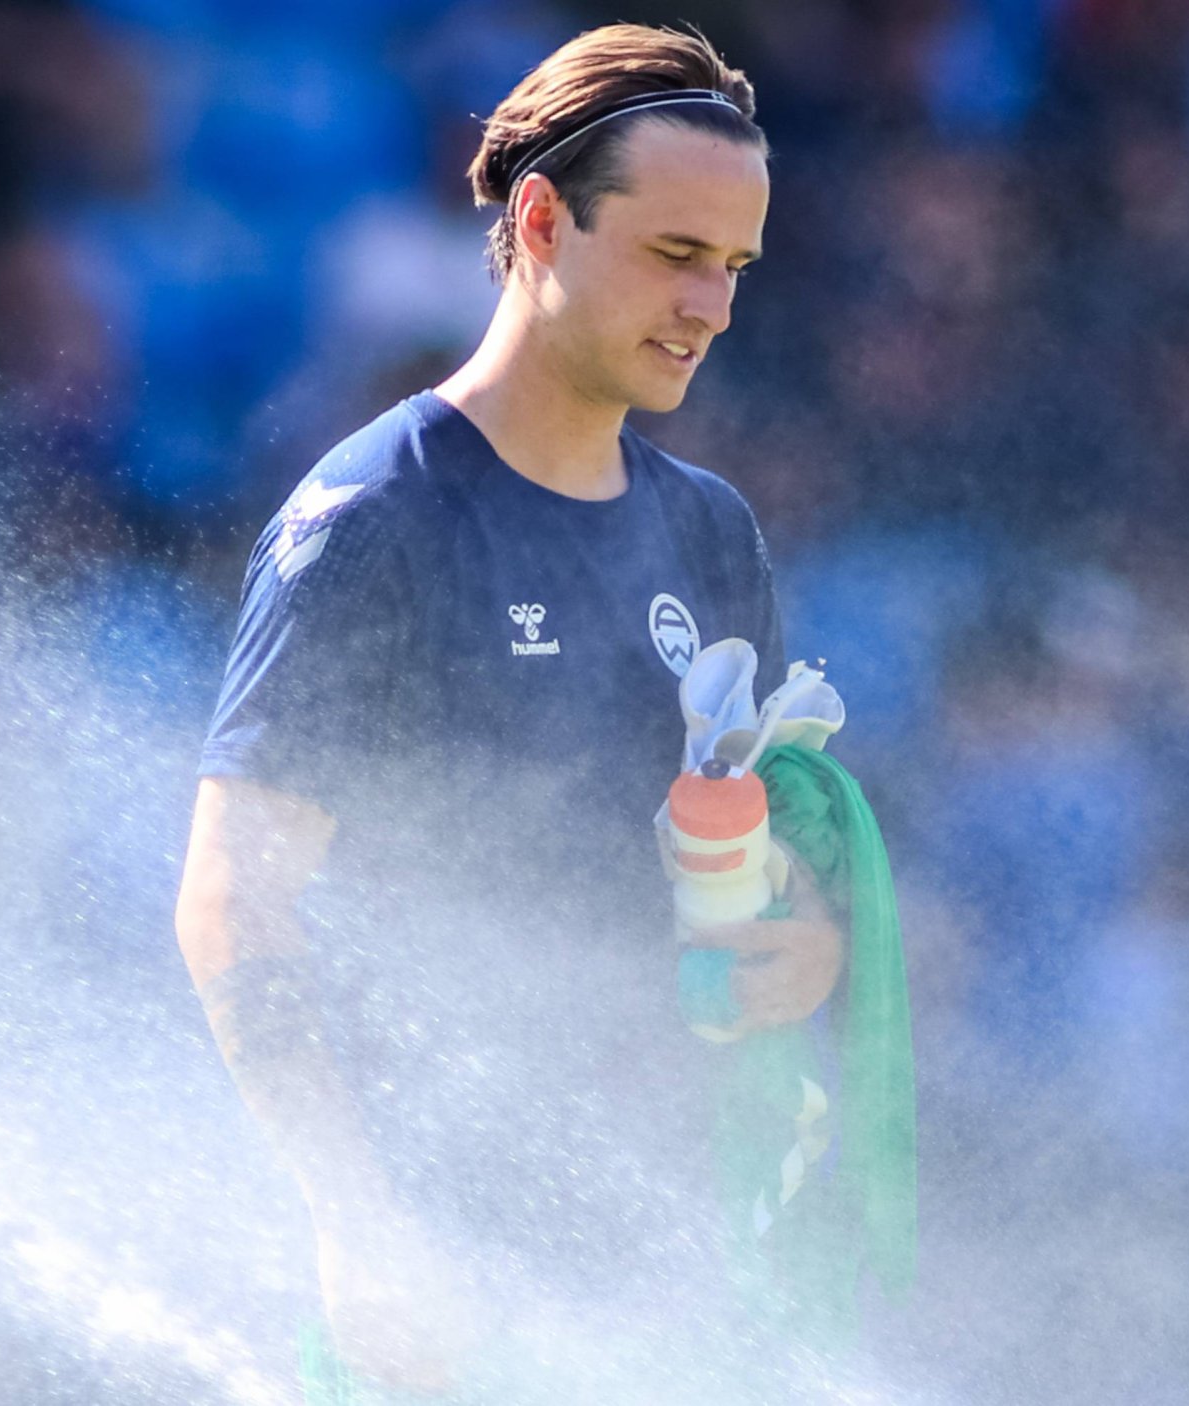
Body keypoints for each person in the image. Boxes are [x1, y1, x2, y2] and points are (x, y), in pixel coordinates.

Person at [174, 23, 843, 1396]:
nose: (711, 306)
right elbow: (233, 897)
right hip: (440, 1281)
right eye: (674, 254)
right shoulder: (377, 520)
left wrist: (806, 937)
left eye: (734, 268)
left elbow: (745, 852)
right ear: (541, 219)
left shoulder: (714, 535)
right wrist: (359, 1224)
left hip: (669, 1250)